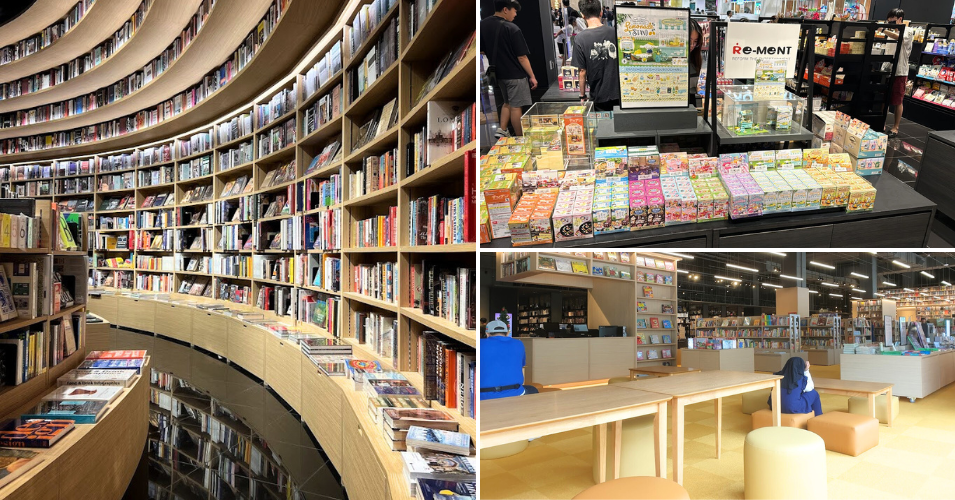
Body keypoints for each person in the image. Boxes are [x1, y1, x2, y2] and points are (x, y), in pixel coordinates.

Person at [481, 0, 537, 138]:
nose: (515, 14)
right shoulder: (512, 28)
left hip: (498, 74)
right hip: (515, 75)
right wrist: (532, 76)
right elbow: (522, 57)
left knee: (507, 102)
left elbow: (482, 50)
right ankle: (519, 138)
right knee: (516, 107)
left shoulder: (483, 24)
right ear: (505, 9)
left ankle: (502, 129)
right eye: (514, 11)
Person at [573, 0, 620, 111]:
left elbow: (582, 71)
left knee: (603, 121)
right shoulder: (615, 32)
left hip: (599, 94)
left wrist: (582, 95)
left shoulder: (579, 39)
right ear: (601, 13)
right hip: (620, 92)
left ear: (582, 15)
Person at [480, 320, 539, 400]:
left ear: (487, 334)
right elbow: (522, 364)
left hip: (483, 395)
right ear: (507, 333)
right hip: (515, 393)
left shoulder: (479, 343)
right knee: (532, 389)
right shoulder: (518, 344)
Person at [878, 8, 912, 137]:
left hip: (900, 71)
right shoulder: (890, 31)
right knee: (884, 99)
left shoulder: (908, 31)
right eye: (889, 21)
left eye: (892, 21)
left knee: (898, 100)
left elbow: (898, 37)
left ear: (900, 19)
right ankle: (882, 123)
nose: (890, 24)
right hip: (887, 69)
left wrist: (883, 29)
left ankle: (895, 127)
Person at [688, 19, 703, 102]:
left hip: (691, 104)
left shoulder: (695, 58)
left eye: (695, 41)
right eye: (689, 41)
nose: (692, 45)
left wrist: (698, 88)